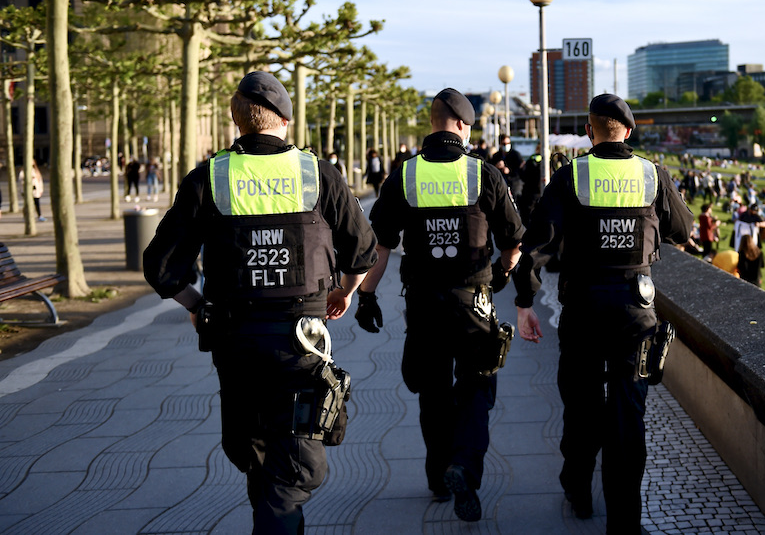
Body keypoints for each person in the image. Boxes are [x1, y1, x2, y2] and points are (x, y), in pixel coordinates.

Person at [142, 71, 378, 535]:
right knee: (293, 471)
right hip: (301, 341)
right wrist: (344, 293)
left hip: (234, 337)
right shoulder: (317, 173)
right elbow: (363, 252)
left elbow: (160, 266)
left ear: (237, 121)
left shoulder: (209, 177)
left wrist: (196, 304)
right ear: (286, 120)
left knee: (257, 456)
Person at [512, 94, 692, 534]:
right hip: (637, 309)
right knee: (629, 414)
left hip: (584, 308)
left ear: (590, 131)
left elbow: (535, 246)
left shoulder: (571, 175)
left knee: (581, 406)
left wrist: (524, 302)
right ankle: (625, 524)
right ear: (629, 132)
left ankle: (577, 488)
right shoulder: (652, 174)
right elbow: (683, 229)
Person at [354, 88, 523, 522]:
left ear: (433, 122)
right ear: (464, 126)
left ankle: (436, 476)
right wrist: (503, 273)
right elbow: (514, 241)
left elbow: (382, 246)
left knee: (432, 392)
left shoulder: (405, 176)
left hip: (424, 307)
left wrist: (367, 296)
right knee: (476, 388)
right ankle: (463, 466)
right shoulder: (483, 174)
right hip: (474, 304)